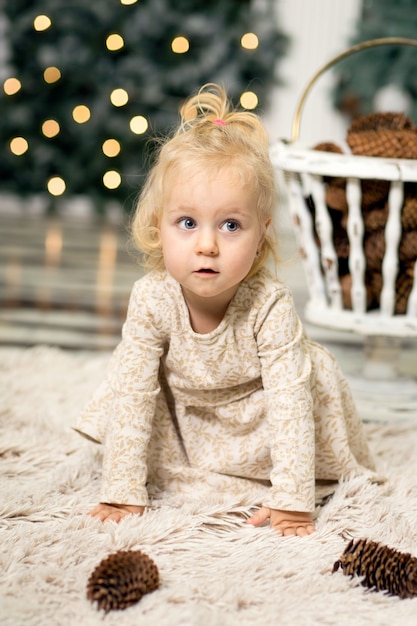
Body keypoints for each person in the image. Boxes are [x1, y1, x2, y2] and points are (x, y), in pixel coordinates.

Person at [73, 83, 377, 536]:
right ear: (160, 227)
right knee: (125, 375)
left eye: (231, 225)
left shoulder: (268, 303)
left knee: (312, 373)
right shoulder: (153, 297)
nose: (207, 245)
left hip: (258, 422)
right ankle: (177, 474)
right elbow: (135, 395)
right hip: (186, 420)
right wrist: (121, 489)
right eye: (187, 223)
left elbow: (289, 402)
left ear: (261, 235)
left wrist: (292, 502)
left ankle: (280, 481)